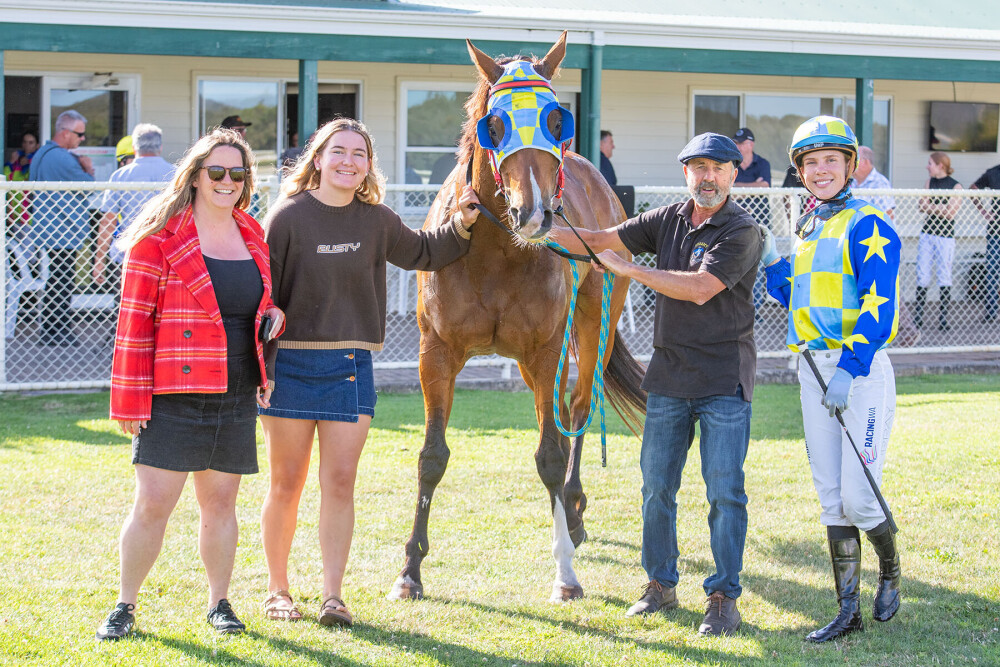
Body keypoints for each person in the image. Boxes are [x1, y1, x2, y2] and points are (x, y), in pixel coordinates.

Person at [258, 118, 480, 626]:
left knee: (340, 483)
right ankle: (278, 591)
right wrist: (262, 369)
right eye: (338, 151)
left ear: (368, 166)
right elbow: (262, 293)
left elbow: (425, 252)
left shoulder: (377, 220)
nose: (348, 161)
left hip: (350, 367)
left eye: (359, 154)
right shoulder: (287, 217)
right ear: (318, 159)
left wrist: (462, 224)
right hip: (287, 364)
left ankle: (332, 597)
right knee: (286, 484)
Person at [547, 132, 762, 637]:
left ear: (733, 175)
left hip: (723, 379)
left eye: (719, 168)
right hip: (668, 377)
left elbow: (701, 288)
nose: (708, 177)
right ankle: (660, 584)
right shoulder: (667, 219)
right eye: (699, 168)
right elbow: (598, 239)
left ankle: (723, 597)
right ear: (685, 172)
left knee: (725, 494)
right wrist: (535, 224)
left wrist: (630, 269)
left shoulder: (742, 229)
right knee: (656, 489)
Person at [94, 128, 285, 641]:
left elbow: (256, 303)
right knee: (153, 505)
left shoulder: (252, 233)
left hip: (236, 390)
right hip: (172, 395)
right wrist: (129, 400)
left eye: (237, 173)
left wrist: (272, 315)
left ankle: (219, 602)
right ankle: (124, 604)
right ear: (196, 176)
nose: (227, 181)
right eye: (216, 171)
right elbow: (133, 324)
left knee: (220, 505)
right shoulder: (158, 239)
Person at [761, 115, 902, 643]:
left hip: (856, 372)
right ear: (800, 171)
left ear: (849, 165)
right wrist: (773, 263)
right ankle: (848, 611)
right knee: (831, 497)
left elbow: (878, 305)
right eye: (811, 162)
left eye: (831, 160)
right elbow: (797, 298)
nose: (821, 170)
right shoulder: (808, 227)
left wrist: (849, 368)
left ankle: (890, 570)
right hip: (812, 371)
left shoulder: (868, 224)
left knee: (860, 499)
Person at [28, 110, 95, 346]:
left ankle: (52, 330)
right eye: (79, 134)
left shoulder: (42, 154)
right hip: (62, 230)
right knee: (62, 282)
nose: (82, 139)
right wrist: (88, 168)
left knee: (56, 280)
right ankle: (59, 331)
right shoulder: (62, 158)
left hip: (49, 228)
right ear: (65, 132)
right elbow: (89, 186)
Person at [93, 124, 176, 289]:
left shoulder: (120, 176)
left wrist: (99, 260)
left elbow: (108, 221)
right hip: (167, 254)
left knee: (127, 302)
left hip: (129, 252)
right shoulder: (175, 174)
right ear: (160, 147)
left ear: (134, 148)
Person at [915, 152, 962, 330]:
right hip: (927, 234)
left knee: (944, 275)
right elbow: (921, 205)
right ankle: (918, 317)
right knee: (923, 274)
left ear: (940, 165)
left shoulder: (955, 186)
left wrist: (932, 206)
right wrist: (942, 206)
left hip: (945, 237)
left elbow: (951, 213)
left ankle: (943, 319)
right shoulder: (930, 182)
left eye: (930, 163)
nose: (927, 167)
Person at [731, 128, 772, 315]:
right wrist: (754, 186)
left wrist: (740, 188)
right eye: (736, 143)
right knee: (735, 261)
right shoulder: (732, 163)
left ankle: (755, 309)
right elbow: (730, 189)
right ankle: (738, 308)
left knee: (757, 263)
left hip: (760, 220)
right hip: (735, 220)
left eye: (742, 143)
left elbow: (765, 186)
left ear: (751, 144)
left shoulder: (763, 163)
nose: (738, 146)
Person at [970, 162, 1000, 323]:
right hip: (995, 231)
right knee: (992, 271)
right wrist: (984, 211)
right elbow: (973, 189)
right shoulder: (993, 173)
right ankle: (991, 311)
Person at [3, 130, 38, 229]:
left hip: (30, 213)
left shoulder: (37, 161)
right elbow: (5, 179)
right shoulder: (17, 160)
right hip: (14, 212)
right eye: (25, 142)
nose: (27, 145)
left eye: (31, 143)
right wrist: (11, 162)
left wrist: (30, 162)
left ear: (37, 145)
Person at [852, 146, 895, 221]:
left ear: (866, 162)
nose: (850, 165)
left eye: (854, 161)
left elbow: (888, 215)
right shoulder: (853, 182)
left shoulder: (880, 183)